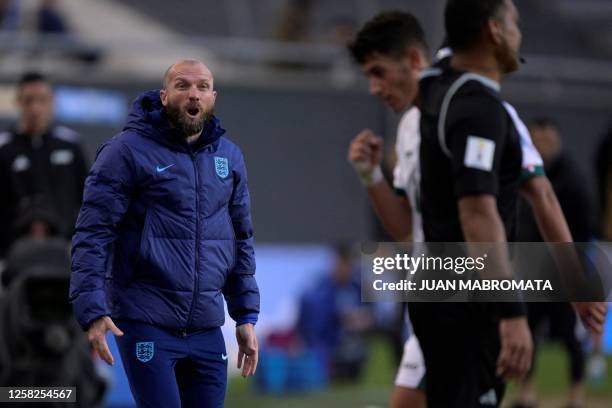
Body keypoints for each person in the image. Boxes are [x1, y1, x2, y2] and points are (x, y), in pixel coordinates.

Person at [346, 8, 606, 408]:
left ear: (414, 61)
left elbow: (539, 197)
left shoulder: (490, 113)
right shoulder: (415, 125)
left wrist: (571, 280)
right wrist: (370, 176)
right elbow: (404, 228)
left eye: (378, 73)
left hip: (471, 292)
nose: (374, 89)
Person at [69, 59, 260, 408]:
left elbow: (240, 240)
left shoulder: (229, 158)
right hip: (145, 322)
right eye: (182, 85)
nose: (193, 94)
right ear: (163, 96)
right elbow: (92, 234)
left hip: (206, 327)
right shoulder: (124, 151)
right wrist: (92, 310)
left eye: (202, 87)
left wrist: (245, 315)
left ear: (213, 97)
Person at [513, 118, 597, 408]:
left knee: (569, 336)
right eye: (537, 141)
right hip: (531, 268)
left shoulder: (574, 179)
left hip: (565, 270)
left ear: (558, 140)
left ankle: (576, 395)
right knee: (527, 331)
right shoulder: (522, 175)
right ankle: (527, 394)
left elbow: (586, 228)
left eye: (547, 140)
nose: (542, 146)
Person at [0, 72, 89, 257]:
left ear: (52, 102)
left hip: (64, 250)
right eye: (29, 100)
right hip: (11, 252)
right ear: (18, 103)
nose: (35, 108)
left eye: (42, 100)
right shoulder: (5, 148)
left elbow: (87, 198)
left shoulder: (70, 145)